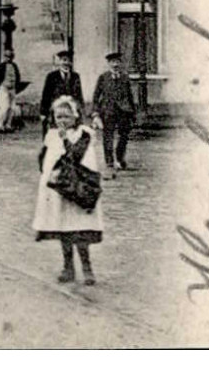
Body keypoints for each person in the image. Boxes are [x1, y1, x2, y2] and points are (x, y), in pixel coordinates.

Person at [33, 96, 104, 285]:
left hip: (79, 189)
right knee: (64, 228)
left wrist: (65, 140)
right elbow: (44, 159)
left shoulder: (85, 134)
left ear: (75, 116)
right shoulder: (51, 135)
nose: (62, 121)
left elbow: (76, 156)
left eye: (66, 117)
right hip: (60, 190)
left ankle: (87, 268)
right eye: (58, 117)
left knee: (80, 229)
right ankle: (68, 267)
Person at [91, 51, 137, 176]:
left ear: (120, 63)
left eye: (117, 62)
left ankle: (120, 157)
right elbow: (96, 96)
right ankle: (109, 162)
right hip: (108, 111)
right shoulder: (103, 77)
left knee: (124, 137)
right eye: (112, 62)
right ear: (108, 64)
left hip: (124, 112)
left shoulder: (125, 77)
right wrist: (95, 113)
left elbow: (130, 96)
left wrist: (133, 113)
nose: (115, 65)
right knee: (108, 137)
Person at [37, 49, 84, 138]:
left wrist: (80, 110)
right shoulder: (51, 76)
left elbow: (79, 94)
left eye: (69, 60)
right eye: (64, 60)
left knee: (72, 135)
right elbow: (46, 95)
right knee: (54, 135)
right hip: (56, 111)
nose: (66, 63)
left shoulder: (75, 76)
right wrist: (43, 113)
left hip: (71, 111)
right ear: (59, 62)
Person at [0, 48, 24, 132]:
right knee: (4, 107)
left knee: (12, 108)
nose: (9, 58)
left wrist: (16, 87)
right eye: (7, 56)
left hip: (12, 89)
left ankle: (8, 125)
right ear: (4, 56)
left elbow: (17, 76)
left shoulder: (14, 66)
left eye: (10, 56)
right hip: (4, 88)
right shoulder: (1, 66)